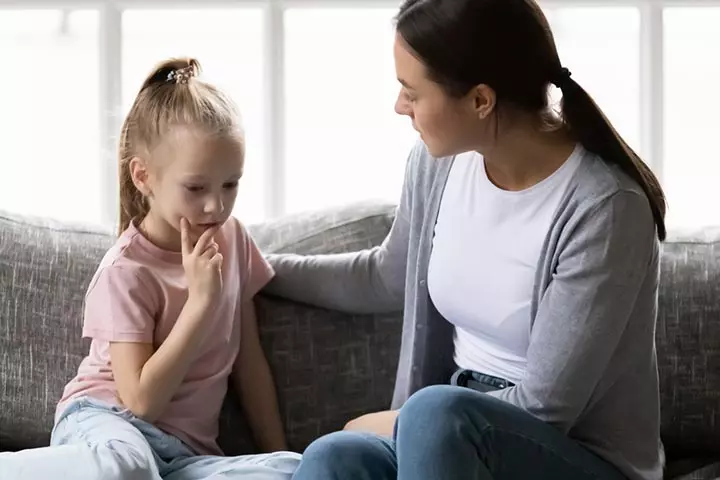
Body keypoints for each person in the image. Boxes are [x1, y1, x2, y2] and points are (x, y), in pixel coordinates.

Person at [264, 0, 666, 479]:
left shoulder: (604, 209)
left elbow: (546, 407)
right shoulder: (436, 165)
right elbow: (386, 276)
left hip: (575, 456)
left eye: (411, 92)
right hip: (449, 435)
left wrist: (398, 420)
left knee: (434, 415)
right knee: (334, 457)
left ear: (480, 100)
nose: (399, 107)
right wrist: (257, 266)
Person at [0, 58, 300, 480]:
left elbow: (249, 364)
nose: (216, 206)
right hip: (109, 424)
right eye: (196, 188)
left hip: (183, 457)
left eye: (230, 184)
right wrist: (200, 304)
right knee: (127, 465)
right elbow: (140, 402)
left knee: (292, 470)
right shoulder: (127, 271)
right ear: (144, 176)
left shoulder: (232, 241)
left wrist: (277, 452)